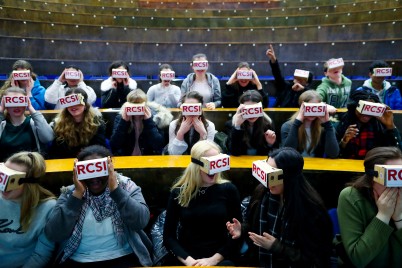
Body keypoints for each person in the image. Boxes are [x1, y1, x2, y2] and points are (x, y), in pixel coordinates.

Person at [44, 145, 153, 267]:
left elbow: (141, 221)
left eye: (100, 170)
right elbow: (53, 233)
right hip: (79, 259)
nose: (94, 177)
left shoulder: (126, 186)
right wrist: (77, 196)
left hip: (122, 256)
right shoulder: (70, 193)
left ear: (110, 168)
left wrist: (116, 191)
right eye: (88, 171)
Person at [226, 147, 333, 267]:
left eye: (273, 174)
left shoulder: (311, 210)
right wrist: (242, 229)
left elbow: (315, 258)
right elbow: (254, 228)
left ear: (289, 176)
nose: (268, 180)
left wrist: (277, 247)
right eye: (267, 172)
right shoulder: (262, 193)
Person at [163, 140, 242, 266]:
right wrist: (189, 261)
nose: (213, 169)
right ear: (196, 165)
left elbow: (238, 234)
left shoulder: (229, 190)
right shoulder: (179, 192)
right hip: (187, 257)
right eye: (209, 163)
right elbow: (169, 237)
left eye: (217, 163)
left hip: (220, 258)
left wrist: (213, 260)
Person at [337, 146, 402, 267]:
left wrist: (398, 218)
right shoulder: (351, 197)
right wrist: (383, 215)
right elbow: (359, 259)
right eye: (391, 179)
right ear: (372, 179)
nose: (397, 187)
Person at [0, 151, 56, 267]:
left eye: (11, 180)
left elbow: (41, 254)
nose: (3, 186)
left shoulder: (48, 208)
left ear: (29, 184)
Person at [336, 89, 402, 159]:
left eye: (370, 109)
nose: (366, 113)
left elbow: (397, 154)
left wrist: (390, 126)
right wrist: (344, 141)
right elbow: (335, 155)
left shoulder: (380, 126)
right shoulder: (342, 124)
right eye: (363, 108)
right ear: (354, 107)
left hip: (374, 165)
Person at [48, 87, 106, 159]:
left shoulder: (97, 123)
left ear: (85, 105)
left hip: (89, 161)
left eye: (77, 102)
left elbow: (99, 149)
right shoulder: (58, 124)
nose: (73, 106)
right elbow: (56, 151)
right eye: (70, 103)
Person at [0, 87, 54, 161]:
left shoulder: (34, 123)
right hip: (5, 169)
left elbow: (48, 138)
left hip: (31, 167)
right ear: (5, 104)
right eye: (11, 102)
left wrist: (32, 109)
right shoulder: (2, 125)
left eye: (20, 101)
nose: (16, 106)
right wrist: (0, 112)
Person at [281, 90, 339, 158]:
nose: (312, 112)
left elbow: (333, 154)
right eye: (309, 108)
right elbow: (287, 154)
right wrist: (297, 123)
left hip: (317, 165)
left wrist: (327, 124)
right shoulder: (288, 126)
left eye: (316, 108)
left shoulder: (324, 127)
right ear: (301, 107)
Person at [110, 89, 169, 156]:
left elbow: (158, 145)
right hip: (127, 157)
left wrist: (149, 121)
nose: (136, 108)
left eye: (139, 105)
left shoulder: (156, 117)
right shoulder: (120, 117)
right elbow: (114, 144)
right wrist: (124, 122)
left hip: (148, 158)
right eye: (134, 105)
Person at [229, 90, 276, 156]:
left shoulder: (268, 123)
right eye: (248, 110)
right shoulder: (232, 124)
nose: (252, 114)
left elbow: (273, 154)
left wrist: (270, 144)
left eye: (255, 109)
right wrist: (237, 127)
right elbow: (234, 153)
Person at [168, 91, 216, 155]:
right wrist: (180, 134)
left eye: (195, 107)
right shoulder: (174, 124)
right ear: (182, 108)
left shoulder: (209, 126)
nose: (191, 111)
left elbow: (207, 155)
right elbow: (172, 153)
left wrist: (203, 134)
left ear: (201, 109)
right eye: (187, 107)